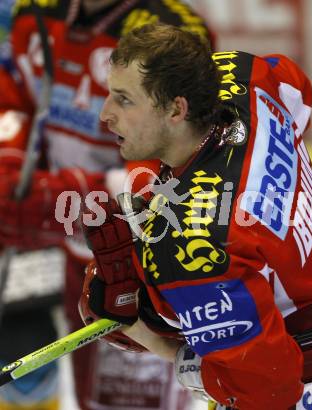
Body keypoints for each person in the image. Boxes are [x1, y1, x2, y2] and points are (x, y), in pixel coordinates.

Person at [79, 22, 312, 410]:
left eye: (124, 100)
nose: (105, 114)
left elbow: (266, 391)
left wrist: (151, 335)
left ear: (176, 108)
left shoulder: (193, 247)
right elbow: (298, 93)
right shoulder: (243, 75)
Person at [0, 1, 213, 409]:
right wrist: (10, 171)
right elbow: (15, 101)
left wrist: (107, 195)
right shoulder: (36, 14)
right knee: (87, 395)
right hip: (66, 234)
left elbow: (181, 146)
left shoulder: (172, 32)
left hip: (141, 249)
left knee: (128, 401)